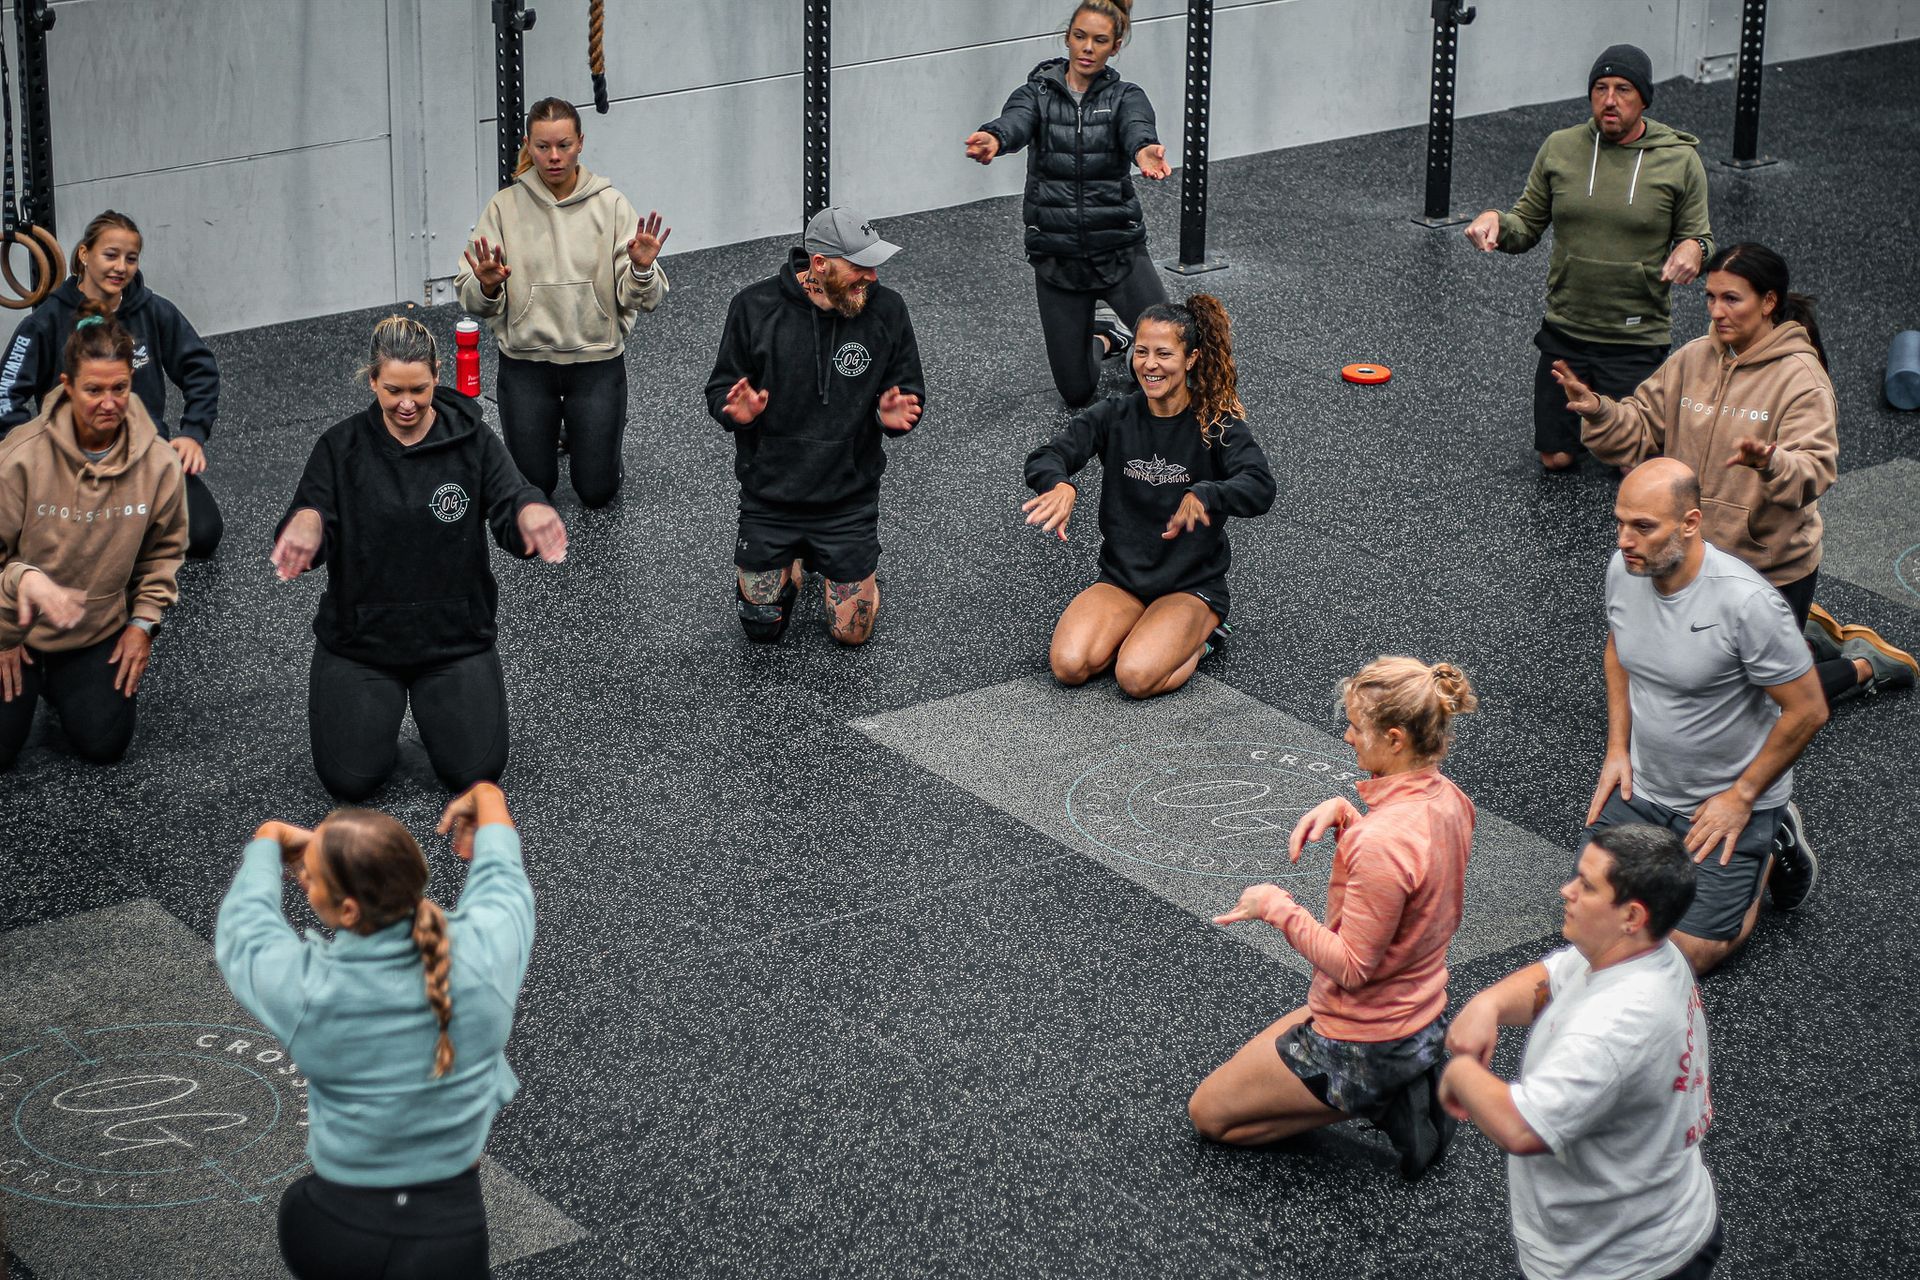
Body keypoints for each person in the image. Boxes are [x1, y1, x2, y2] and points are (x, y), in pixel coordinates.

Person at [1559, 241, 1916, 706]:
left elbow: (1815, 469)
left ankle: (1866, 664)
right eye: (1711, 297)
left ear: (1768, 302)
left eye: (1731, 298)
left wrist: (1771, 462)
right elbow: (1640, 428)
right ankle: (1804, 638)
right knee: (1690, 682)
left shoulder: (1801, 379)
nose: (1716, 311)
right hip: (1693, 556)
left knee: (1754, 706)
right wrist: (1600, 411)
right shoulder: (1692, 359)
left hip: (1766, 567)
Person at [215, 781, 535, 1280]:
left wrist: (267, 843)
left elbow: (245, 932)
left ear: (347, 910)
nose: (305, 881)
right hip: (446, 1243)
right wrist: (490, 797)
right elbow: (503, 877)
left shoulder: (307, 989)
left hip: (331, 1229)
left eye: (311, 878)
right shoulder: (486, 957)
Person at [1188, 657, 1478, 1179]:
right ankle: (1404, 1071)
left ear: (1395, 739)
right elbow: (1411, 888)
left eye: (1357, 727)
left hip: (1366, 1037)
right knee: (1274, 1048)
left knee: (1209, 1114)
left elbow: (1352, 968)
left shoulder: (1381, 843)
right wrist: (1349, 815)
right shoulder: (1452, 801)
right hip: (1421, 1009)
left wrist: (1275, 907)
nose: (1347, 737)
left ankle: (1381, 1095)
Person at [271, 316, 567, 800]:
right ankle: (384, 723)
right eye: (393, 390)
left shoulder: (471, 439)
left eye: (418, 389)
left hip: (453, 639)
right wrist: (307, 520)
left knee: (477, 773)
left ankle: (436, 720)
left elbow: (511, 496)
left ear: (437, 376)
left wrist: (529, 510)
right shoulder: (340, 447)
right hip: (362, 642)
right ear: (373, 381)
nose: (406, 403)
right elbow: (312, 510)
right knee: (350, 781)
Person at [1440, 824, 1722, 1280]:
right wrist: (1488, 1005)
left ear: (1632, 916)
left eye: (1586, 886)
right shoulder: (1645, 951)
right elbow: (1553, 977)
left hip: (1619, 1264)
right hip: (1652, 1222)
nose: (1566, 890)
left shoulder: (1615, 1027)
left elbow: (1522, 1127)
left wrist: (1458, 1074)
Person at [1588, 458, 1827, 972]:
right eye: (1620, 523)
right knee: (1596, 924)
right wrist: (1616, 749)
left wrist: (1742, 797)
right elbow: (1618, 649)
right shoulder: (1626, 569)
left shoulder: (1748, 604)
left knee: (1685, 956)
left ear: (1690, 524)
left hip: (1725, 797)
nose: (1625, 540)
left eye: (1643, 527)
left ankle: (1769, 846)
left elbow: (1808, 709)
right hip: (1645, 788)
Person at [1464, 44, 1713, 472]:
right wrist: (1496, 222)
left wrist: (1694, 249)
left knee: (1634, 466)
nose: (1610, 100)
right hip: (1567, 331)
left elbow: (1700, 238)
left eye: (1623, 89)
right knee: (1556, 458)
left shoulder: (1679, 160)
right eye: (1600, 88)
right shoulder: (1561, 148)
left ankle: (1621, 438)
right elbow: (1526, 224)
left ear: (1644, 99)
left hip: (1635, 337)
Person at [1023, 296, 1271, 698]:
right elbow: (1048, 455)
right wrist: (1059, 484)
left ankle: (1205, 636)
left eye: (1163, 354)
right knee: (1068, 666)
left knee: (1136, 678)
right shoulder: (1115, 414)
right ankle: (1143, 627)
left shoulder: (1216, 423)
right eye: (1141, 352)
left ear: (1190, 359)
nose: (1149, 364)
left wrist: (1207, 494)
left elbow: (1260, 486)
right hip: (1123, 580)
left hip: (1190, 585)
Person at [704, 206, 925, 646]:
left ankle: (846, 569)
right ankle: (793, 563)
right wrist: (735, 412)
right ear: (819, 264)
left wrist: (891, 419)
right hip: (771, 496)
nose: (872, 277)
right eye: (859, 267)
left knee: (851, 633)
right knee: (761, 626)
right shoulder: (754, 307)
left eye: (873, 266)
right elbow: (720, 389)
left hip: (847, 499)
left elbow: (910, 391)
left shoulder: (887, 310)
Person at [456, 96, 670, 508]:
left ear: (580, 143)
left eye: (564, 145)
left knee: (597, 492)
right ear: (528, 145)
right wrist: (487, 287)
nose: (554, 156)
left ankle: (593, 438)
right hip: (526, 364)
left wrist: (641, 269)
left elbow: (646, 299)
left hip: (596, 362)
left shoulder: (611, 205)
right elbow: (472, 298)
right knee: (534, 489)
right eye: (542, 146)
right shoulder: (503, 208)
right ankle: (565, 431)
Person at [0, 301, 186, 770]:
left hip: (93, 625)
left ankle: (59, 683)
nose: (109, 402)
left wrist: (142, 624)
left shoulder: (159, 463)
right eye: (94, 389)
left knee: (104, 743)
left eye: (119, 387)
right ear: (67, 386)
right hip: (13, 622)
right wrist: (4, 631)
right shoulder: (20, 457)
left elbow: (163, 554)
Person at [965, 0, 1172, 408]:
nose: (1087, 48)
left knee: (1174, 360)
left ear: (1115, 47)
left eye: (1100, 40)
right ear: (1067, 38)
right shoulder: (1036, 94)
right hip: (1058, 259)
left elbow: (1137, 127)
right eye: (1080, 37)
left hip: (1118, 251)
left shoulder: (1125, 96)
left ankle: (1135, 347)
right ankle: (1106, 336)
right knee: (1077, 392)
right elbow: (1015, 122)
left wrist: (1144, 150)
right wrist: (994, 138)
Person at [0, 210, 224, 557]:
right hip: (74, 464)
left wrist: (193, 433)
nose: (121, 267)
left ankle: (122, 530)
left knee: (204, 532)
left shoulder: (154, 311)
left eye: (130, 258)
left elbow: (201, 369)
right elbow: (5, 392)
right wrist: (35, 454)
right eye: (110, 255)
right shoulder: (47, 321)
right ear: (84, 254)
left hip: (142, 455)